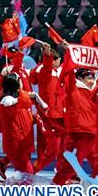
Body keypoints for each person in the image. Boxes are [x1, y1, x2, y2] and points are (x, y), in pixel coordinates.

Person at [52, 67, 98, 185]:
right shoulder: (73, 88)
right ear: (79, 78)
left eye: (92, 78)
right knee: (69, 168)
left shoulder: (93, 91)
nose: (91, 81)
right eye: (88, 78)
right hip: (79, 135)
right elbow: (69, 77)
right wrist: (71, 59)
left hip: (92, 135)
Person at [0, 75, 42, 174]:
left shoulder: (20, 100)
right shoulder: (7, 100)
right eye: (20, 80)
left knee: (22, 173)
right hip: (16, 144)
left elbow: (25, 118)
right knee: (27, 173)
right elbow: (9, 104)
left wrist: (37, 117)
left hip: (24, 142)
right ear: (16, 84)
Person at [31, 43, 64, 172]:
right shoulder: (43, 70)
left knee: (50, 147)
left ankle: (33, 173)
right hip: (48, 114)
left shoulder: (56, 71)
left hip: (57, 113)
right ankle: (32, 172)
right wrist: (47, 53)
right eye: (59, 60)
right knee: (52, 149)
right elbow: (46, 66)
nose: (60, 62)